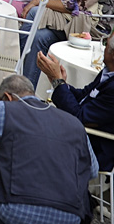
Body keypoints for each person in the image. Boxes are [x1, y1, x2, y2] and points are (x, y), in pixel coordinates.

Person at [0, 74, 96, 224]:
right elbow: (93, 171)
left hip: (19, 211)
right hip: (69, 217)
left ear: (7, 97)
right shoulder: (75, 123)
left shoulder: (3, 109)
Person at [39, 37, 114, 171]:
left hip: (93, 146)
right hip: (81, 131)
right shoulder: (108, 72)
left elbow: (79, 117)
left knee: (34, 130)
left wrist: (58, 82)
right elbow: (84, 95)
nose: (102, 49)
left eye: (105, 45)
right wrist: (60, 82)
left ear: (113, 54)